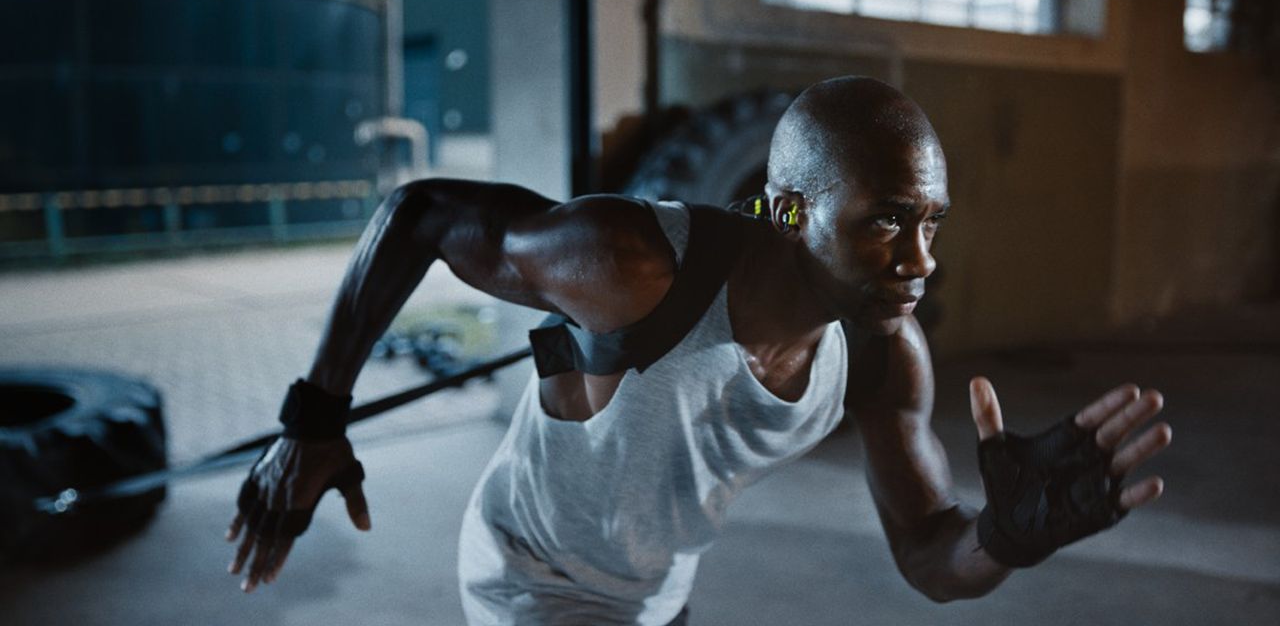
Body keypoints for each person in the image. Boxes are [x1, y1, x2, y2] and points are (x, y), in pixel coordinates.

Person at [226, 77, 1171, 624]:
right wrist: (314, 420)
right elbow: (421, 211)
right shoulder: (633, 265)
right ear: (792, 212)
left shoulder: (885, 358)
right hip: (530, 570)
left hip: (654, 586)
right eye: (887, 221)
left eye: (932, 223)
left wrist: (1008, 537)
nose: (921, 261)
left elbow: (930, 558)